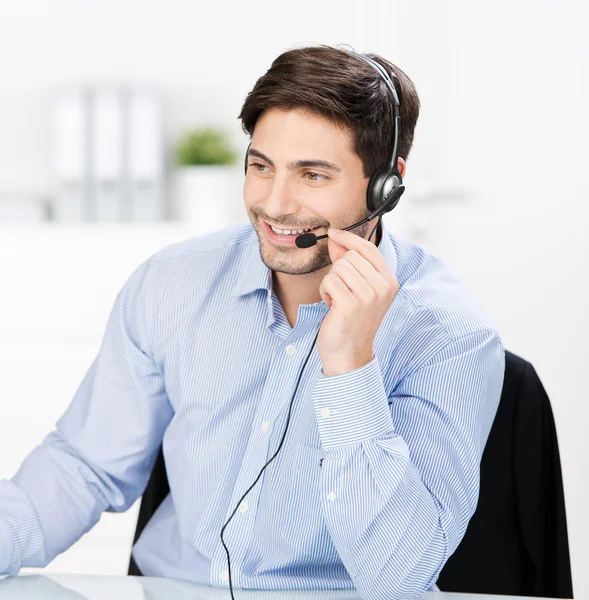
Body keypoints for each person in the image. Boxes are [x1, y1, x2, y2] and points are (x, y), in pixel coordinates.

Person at [0, 45, 504, 599]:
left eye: (313, 175)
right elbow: (84, 466)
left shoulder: (449, 336)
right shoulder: (173, 284)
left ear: (387, 184)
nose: (274, 203)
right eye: (260, 167)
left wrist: (351, 364)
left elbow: (398, 578)